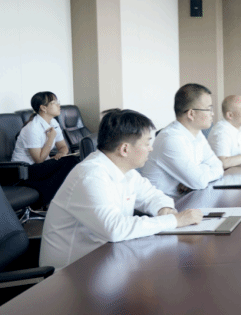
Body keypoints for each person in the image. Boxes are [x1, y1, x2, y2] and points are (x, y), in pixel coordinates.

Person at [40, 109, 203, 269]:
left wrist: (164, 209)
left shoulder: (125, 171)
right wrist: (174, 220)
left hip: (106, 260)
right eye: (147, 143)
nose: (151, 148)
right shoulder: (90, 176)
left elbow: (152, 195)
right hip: (71, 274)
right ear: (125, 149)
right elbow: (115, 229)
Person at [141, 84, 224, 196]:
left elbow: (218, 166)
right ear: (191, 114)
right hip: (163, 204)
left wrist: (197, 174)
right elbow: (199, 182)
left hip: (185, 198)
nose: (212, 114)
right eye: (209, 109)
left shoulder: (197, 134)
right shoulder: (171, 139)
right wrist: (196, 177)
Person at [11, 91, 79, 206]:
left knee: (72, 160)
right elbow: (39, 160)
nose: (59, 105)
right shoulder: (32, 128)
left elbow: (63, 147)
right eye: (54, 103)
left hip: (40, 166)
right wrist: (51, 139)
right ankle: (45, 201)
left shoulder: (53, 122)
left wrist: (62, 153)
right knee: (71, 162)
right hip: (25, 170)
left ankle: (54, 201)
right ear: (43, 108)